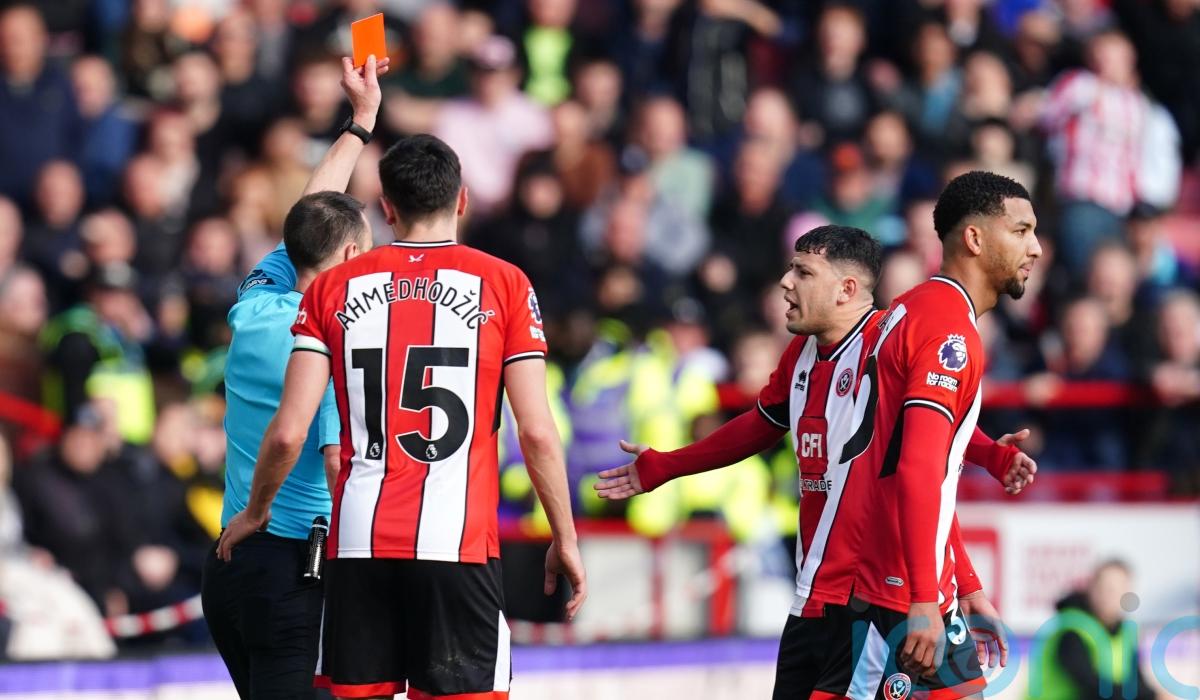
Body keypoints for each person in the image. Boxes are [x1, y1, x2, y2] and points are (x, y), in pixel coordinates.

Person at [594, 224, 1035, 699]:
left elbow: (927, 463)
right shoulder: (803, 354)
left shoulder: (889, 343)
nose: (786, 283)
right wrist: (666, 465)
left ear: (846, 289)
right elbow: (759, 424)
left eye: (803, 272)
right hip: (820, 596)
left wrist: (987, 462)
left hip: (879, 594)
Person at [217, 133, 587, 698]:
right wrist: (565, 537)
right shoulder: (506, 284)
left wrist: (255, 511)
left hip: (356, 544)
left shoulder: (331, 288)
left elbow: (288, 431)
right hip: (457, 543)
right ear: (462, 200)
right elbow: (535, 431)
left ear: (387, 208)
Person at [201, 54, 389, 700]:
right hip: (295, 566)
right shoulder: (330, 340)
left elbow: (311, 212)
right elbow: (329, 458)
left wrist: (360, 123)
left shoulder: (254, 303)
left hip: (229, 564)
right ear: (349, 256)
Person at [842, 171, 1042, 699]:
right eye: (1021, 231)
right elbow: (915, 469)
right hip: (894, 587)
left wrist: (964, 585)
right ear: (974, 238)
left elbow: (910, 442)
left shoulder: (912, 308)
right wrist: (923, 596)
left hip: (906, 578)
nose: (1036, 248)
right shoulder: (950, 332)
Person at [1028, 559, 1157, 699]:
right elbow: (1090, 685)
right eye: (1102, 588)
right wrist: (1150, 696)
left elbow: (1136, 681)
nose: (1107, 596)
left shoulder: (1126, 633)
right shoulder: (1071, 628)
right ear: (1091, 589)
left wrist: (1155, 695)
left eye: (1114, 590)